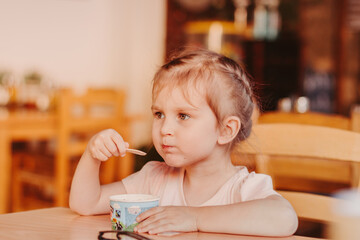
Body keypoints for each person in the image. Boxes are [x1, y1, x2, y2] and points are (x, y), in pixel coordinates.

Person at [69, 49, 298, 236]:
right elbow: (86, 204)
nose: (165, 129)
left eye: (183, 116)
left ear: (225, 130)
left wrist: (194, 217)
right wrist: (92, 156)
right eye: (159, 114)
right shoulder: (154, 179)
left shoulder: (243, 189)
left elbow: (285, 218)